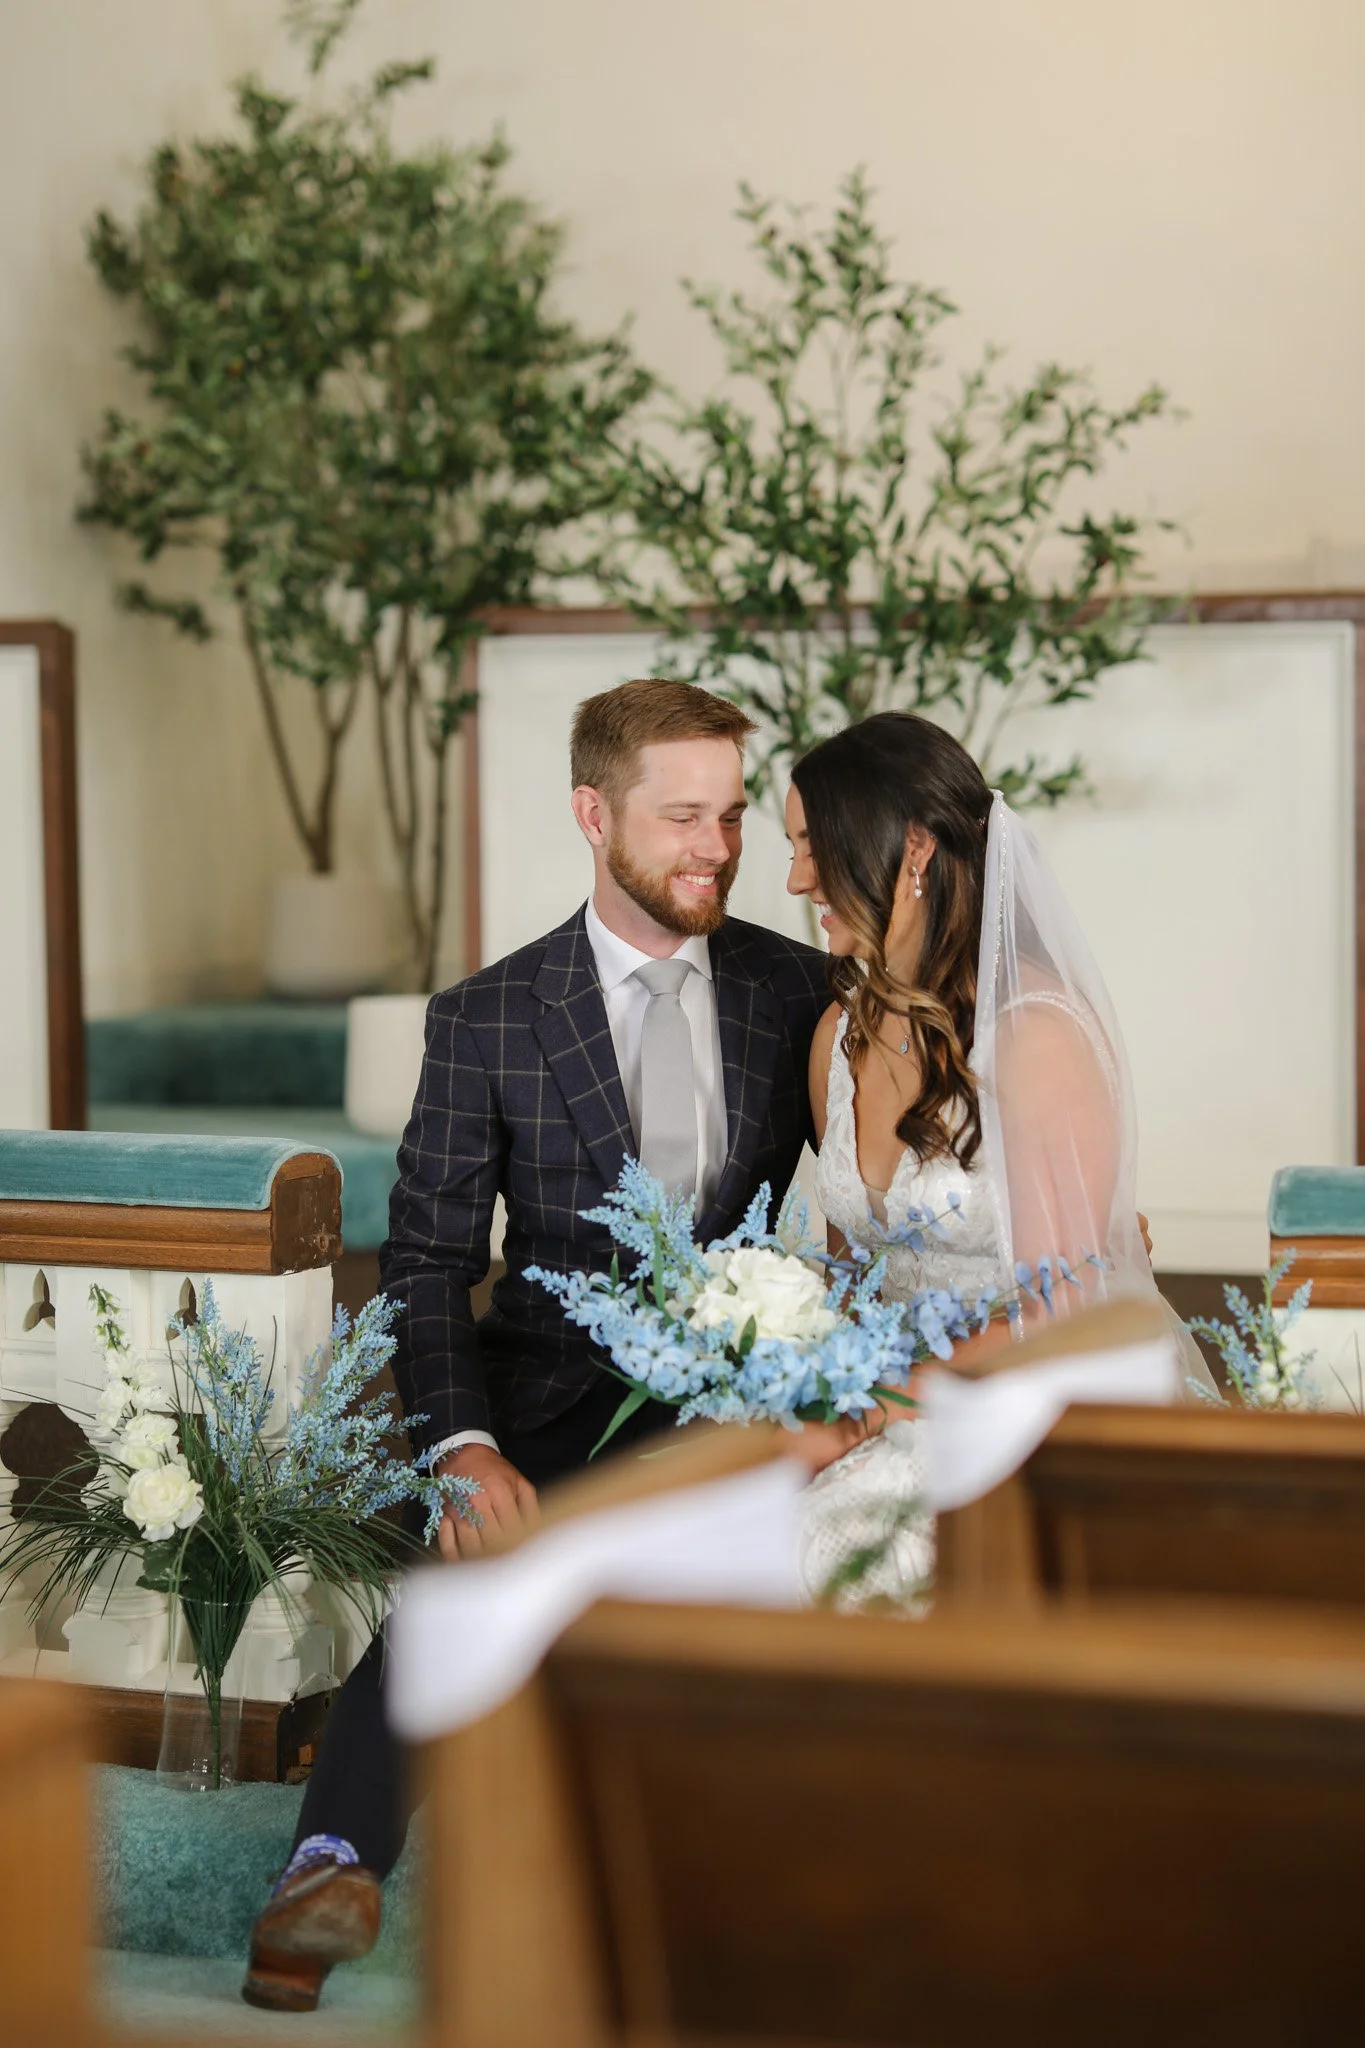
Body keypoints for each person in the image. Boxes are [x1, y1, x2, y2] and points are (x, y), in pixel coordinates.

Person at [243, 678, 830, 2011]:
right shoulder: (490, 1016)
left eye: (732, 814)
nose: (717, 848)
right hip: (541, 1403)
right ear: (591, 813)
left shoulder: (799, 990)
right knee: (459, 1584)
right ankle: (323, 1877)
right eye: (681, 816)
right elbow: (427, 1261)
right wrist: (462, 1445)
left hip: (741, 1406)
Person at [784, 711, 1212, 1601]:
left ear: (913, 848)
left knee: (819, 1563)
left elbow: (1061, 1310)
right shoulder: (836, 1037)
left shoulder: (1036, 1038)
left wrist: (881, 1406)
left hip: (1028, 1412)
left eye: (813, 847)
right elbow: (846, 1279)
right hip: (884, 1410)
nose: (796, 878)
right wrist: (811, 1395)